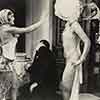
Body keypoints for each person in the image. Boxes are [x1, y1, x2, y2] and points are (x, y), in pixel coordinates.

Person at [0, 9, 47, 100]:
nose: (14, 18)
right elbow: (27, 30)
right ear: (6, 18)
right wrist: (41, 21)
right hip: (7, 62)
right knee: (6, 90)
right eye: (11, 17)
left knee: (12, 88)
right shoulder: (8, 29)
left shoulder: (3, 29)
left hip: (7, 61)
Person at [55, 0, 91, 100]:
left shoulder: (75, 25)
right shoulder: (68, 25)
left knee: (65, 87)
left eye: (79, 10)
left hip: (73, 59)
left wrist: (81, 59)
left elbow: (87, 41)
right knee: (65, 88)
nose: (78, 12)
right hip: (68, 59)